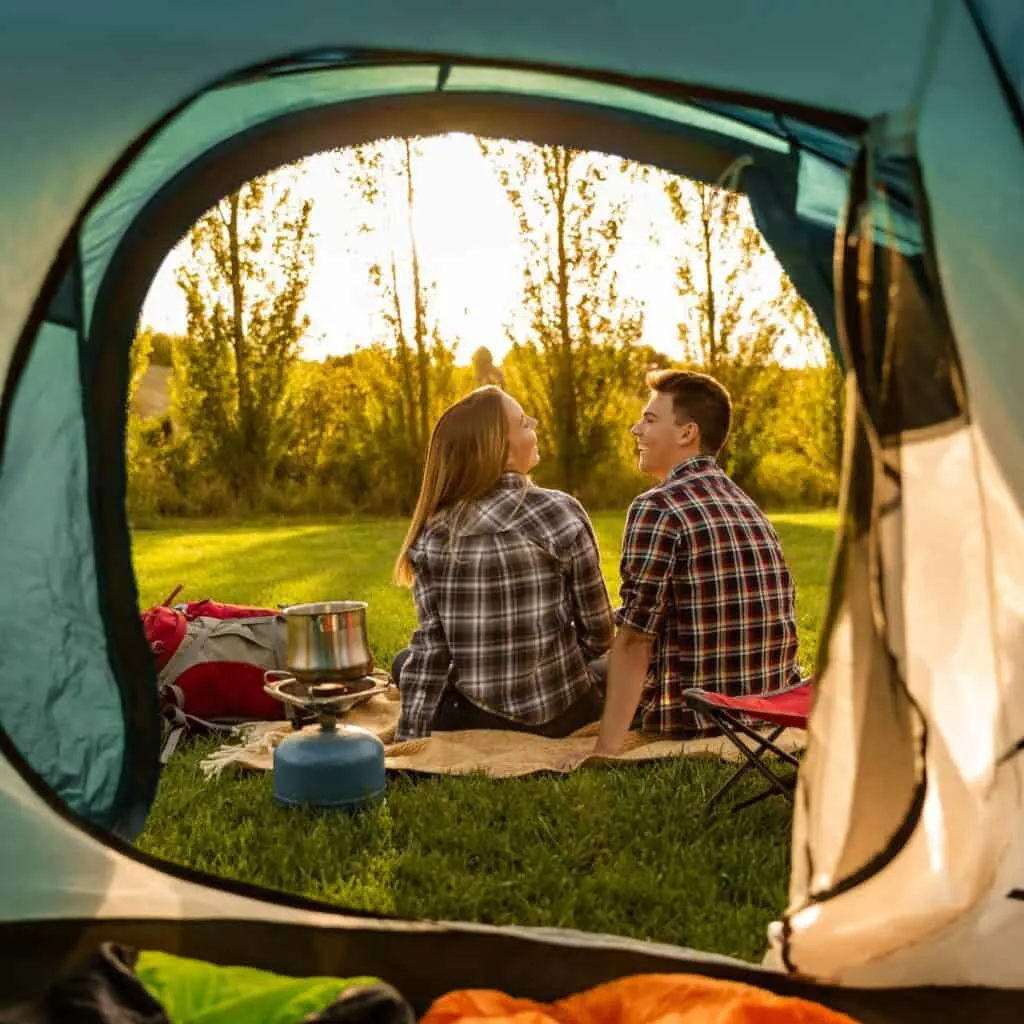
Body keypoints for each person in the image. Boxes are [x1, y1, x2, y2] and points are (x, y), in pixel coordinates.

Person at [591, 369, 802, 756]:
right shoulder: (743, 501)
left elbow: (637, 639)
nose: (635, 429)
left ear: (688, 433)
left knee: (584, 671)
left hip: (693, 714)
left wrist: (604, 751)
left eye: (649, 420)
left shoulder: (657, 505)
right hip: (763, 706)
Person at [391, 385, 614, 741]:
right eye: (525, 423)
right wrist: (554, 660)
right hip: (568, 712)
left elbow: (432, 651)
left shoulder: (433, 532)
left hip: (479, 720)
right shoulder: (561, 511)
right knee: (603, 668)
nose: (535, 425)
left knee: (404, 663)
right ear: (502, 451)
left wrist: (409, 739)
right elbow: (600, 632)